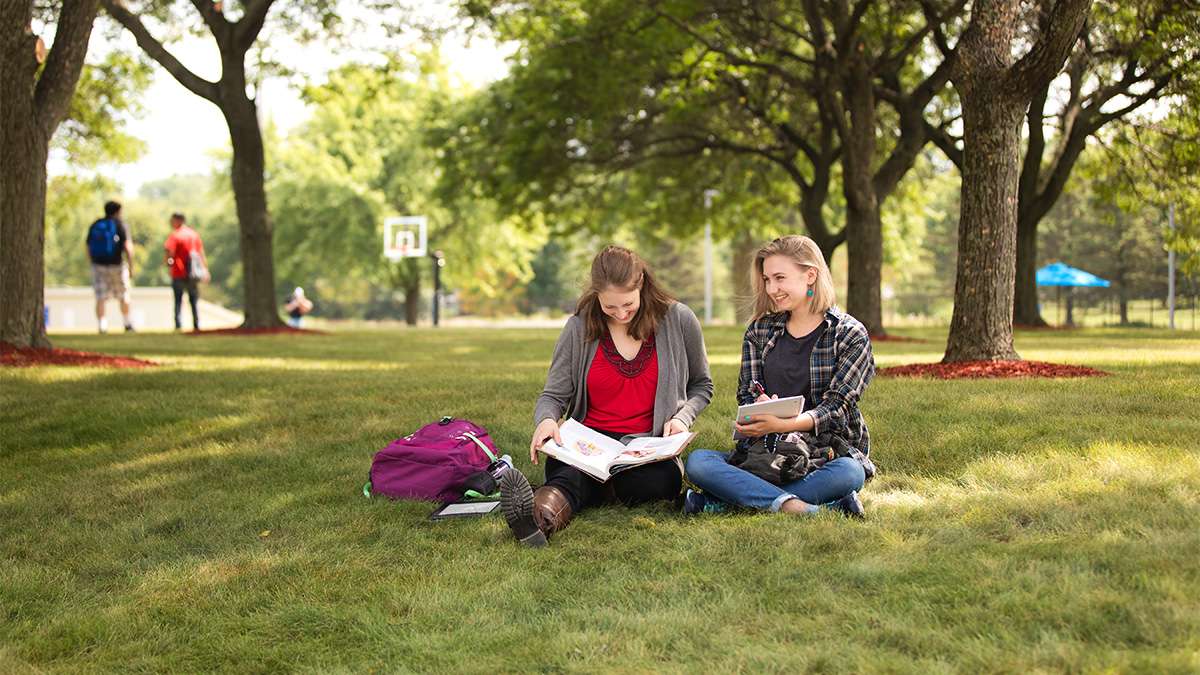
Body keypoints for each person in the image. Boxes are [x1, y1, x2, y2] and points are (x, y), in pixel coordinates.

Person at [500, 245, 714, 547]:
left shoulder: (678, 319)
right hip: (588, 442)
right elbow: (553, 394)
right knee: (568, 472)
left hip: (644, 445)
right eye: (610, 307)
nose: (621, 313)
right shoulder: (579, 327)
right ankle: (536, 520)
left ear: (642, 285)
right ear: (596, 295)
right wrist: (546, 420)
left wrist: (682, 418)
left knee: (660, 481)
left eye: (628, 304)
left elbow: (702, 385)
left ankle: (582, 492)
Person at [684, 235, 876, 518]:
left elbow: (838, 409)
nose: (772, 288)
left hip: (822, 453)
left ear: (810, 275)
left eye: (780, 278)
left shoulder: (849, 334)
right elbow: (746, 394)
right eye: (767, 279)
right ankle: (811, 508)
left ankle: (725, 502)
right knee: (699, 462)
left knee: (849, 472)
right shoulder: (759, 332)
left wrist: (786, 422)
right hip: (766, 450)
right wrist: (759, 407)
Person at [85, 200, 135, 333]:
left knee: (100, 296)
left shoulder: (96, 224)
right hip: (117, 265)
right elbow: (128, 247)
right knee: (123, 294)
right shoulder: (120, 225)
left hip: (98, 265)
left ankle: (102, 324)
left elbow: (88, 246)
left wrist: (92, 263)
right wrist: (131, 266)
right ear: (118, 211)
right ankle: (127, 323)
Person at [163, 212, 209, 331]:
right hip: (193, 273)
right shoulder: (194, 235)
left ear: (178, 221)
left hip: (178, 271)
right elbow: (201, 253)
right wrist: (205, 270)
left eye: (172, 221)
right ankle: (196, 324)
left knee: (178, 300)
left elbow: (169, 253)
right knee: (193, 300)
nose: (171, 223)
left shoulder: (175, 235)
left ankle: (178, 325)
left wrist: (168, 264)